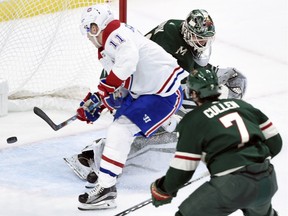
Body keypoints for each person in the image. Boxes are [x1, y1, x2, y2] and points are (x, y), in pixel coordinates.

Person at [64, 8, 247, 182]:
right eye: (199, 39)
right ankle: (93, 158)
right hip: (132, 87)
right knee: (154, 129)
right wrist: (106, 95)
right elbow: (138, 71)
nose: (203, 43)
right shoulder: (168, 39)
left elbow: (188, 69)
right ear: (188, 34)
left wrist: (216, 73)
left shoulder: (183, 39)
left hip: (148, 85)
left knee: (176, 121)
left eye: (205, 39)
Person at [76, 4, 189, 210]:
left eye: (91, 29)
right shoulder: (107, 47)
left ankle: (106, 188)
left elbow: (128, 63)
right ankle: (180, 127)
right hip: (147, 92)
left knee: (121, 129)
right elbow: (124, 85)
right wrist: (101, 102)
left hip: (162, 94)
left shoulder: (116, 35)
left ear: (100, 25)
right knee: (119, 125)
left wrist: (104, 90)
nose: (89, 36)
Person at [150, 67, 282, 216]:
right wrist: (253, 161)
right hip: (267, 180)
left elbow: (183, 170)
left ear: (193, 93)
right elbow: (276, 143)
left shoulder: (192, 120)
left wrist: (163, 189)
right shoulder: (244, 106)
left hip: (232, 186)